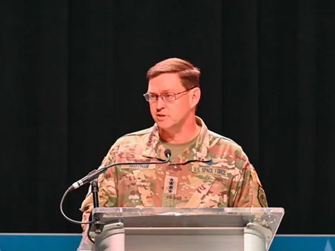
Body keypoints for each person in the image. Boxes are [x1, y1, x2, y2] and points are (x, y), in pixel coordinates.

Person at [80, 58, 267, 223]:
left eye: (169, 96)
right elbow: (93, 220)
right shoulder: (125, 151)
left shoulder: (229, 155)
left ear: (194, 96)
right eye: (153, 97)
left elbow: (255, 225)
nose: (159, 105)